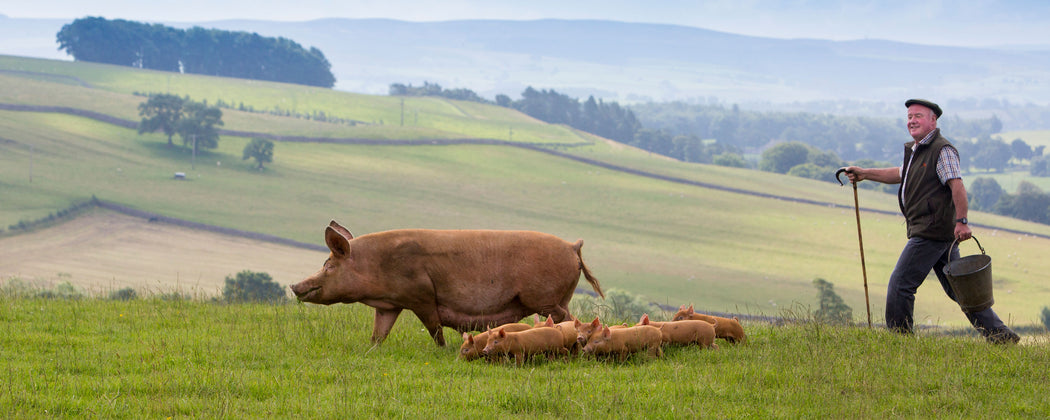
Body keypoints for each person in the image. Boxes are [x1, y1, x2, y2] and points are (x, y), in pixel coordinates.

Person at [844, 99, 1020, 344]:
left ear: (933, 120)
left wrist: (962, 221)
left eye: (918, 116)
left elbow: (956, 185)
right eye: (909, 117)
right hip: (934, 231)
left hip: (931, 231)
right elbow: (900, 173)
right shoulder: (918, 150)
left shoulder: (941, 150)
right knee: (960, 289)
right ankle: (1002, 338)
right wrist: (865, 173)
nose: (912, 121)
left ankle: (899, 341)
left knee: (901, 283)